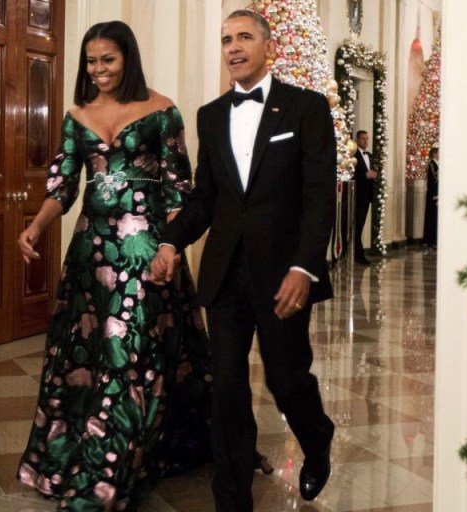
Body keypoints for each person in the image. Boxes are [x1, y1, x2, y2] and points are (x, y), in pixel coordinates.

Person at [14, 21, 213, 511]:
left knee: (131, 353)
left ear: (128, 58)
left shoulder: (162, 111)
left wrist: (171, 246)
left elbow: (177, 192)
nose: (98, 69)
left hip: (145, 252)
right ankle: (85, 452)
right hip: (90, 252)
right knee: (90, 354)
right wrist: (35, 227)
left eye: (108, 59)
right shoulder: (77, 114)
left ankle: (109, 473)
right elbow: (62, 186)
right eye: (91, 60)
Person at [151, 10, 336, 512]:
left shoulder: (306, 108)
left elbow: (320, 197)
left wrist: (305, 267)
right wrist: (170, 242)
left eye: (244, 37)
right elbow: (205, 198)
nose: (233, 47)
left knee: (286, 380)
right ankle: (231, 500)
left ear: (268, 46)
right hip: (226, 273)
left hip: (283, 275)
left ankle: (317, 440)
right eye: (226, 39)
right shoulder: (210, 115)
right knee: (227, 390)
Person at [352, 130, 377, 264]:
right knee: (357, 226)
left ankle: (358, 253)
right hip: (357, 195)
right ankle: (358, 254)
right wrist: (365, 176)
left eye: (367, 139)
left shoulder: (370, 156)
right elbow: (351, 174)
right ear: (357, 140)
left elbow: (370, 172)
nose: (366, 141)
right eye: (363, 139)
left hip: (366, 196)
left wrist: (373, 175)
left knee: (360, 225)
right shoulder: (354, 154)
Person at [423, 145, 439, 250]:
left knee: (435, 219)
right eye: (438, 153)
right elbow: (433, 181)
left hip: (437, 195)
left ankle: (434, 240)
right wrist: (436, 195)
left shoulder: (437, 164)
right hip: (434, 195)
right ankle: (431, 241)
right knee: (432, 218)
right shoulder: (432, 165)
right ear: (434, 154)